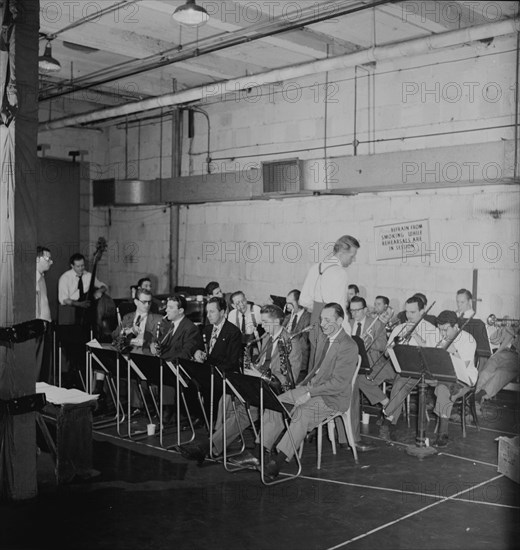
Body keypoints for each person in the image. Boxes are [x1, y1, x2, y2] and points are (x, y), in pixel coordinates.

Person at [179, 304, 302, 464]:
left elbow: (289, 378)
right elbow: (263, 362)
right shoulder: (266, 338)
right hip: (262, 387)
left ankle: (257, 454)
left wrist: (262, 375)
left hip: (279, 391)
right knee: (241, 407)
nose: (262, 326)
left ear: (278, 321)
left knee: (265, 410)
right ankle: (211, 447)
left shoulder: (293, 343)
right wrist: (253, 368)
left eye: (265, 322)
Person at [259, 303, 359, 480]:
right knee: (276, 402)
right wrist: (303, 387)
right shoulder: (324, 338)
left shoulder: (348, 346)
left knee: (302, 412)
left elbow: (338, 383)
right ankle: (260, 451)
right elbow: (315, 370)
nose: (322, 324)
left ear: (341, 321)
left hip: (333, 397)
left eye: (328, 320)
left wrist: (309, 394)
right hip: (312, 387)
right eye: (321, 320)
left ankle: (278, 461)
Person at [379, 296, 441, 440]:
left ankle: (388, 421)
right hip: (400, 366)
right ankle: (388, 413)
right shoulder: (400, 327)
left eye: (413, 312)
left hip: (422, 370)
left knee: (400, 382)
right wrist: (394, 345)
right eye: (407, 312)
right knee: (370, 376)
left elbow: (434, 356)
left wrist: (416, 336)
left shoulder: (432, 330)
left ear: (422, 311)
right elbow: (387, 353)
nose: (408, 316)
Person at [57, 253, 108, 388]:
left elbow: (103, 285)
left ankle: (91, 383)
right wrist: (80, 304)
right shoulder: (65, 278)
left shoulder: (88, 276)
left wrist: (100, 291)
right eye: (78, 266)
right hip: (71, 317)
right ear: (72, 265)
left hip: (88, 319)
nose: (81, 268)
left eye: (83, 265)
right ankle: (74, 382)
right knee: (73, 355)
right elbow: (64, 299)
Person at [151, 294, 203, 424]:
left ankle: (167, 410)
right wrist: (153, 345)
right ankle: (161, 407)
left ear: (180, 311)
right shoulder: (169, 325)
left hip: (179, 368)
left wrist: (166, 362)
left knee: (165, 375)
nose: (166, 310)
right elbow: (159, 341)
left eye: (170, 307)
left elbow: (185, 353)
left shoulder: (190, 328)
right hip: (166, 364)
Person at [111, 288, 163, 415]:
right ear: (136, 302)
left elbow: (160, 339)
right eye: (144, 302)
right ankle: (103, 398)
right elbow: (114, 335)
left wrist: (149, 341)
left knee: (135, 363)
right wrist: (127, 331)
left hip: (145, 354)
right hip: (128, 352)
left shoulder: (158, 318)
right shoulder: (128, 317)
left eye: (149, 302)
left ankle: (137, 406)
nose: (147, 305)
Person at [191, 296, 242, 425]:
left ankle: (211, 422)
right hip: (206, 373)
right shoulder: (207, 329)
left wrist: (209, 362)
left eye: (212, 312)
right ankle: (200, 415)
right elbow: (196, 346)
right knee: (187, 383)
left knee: (209, 388)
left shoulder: (233, 332)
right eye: (207, 312)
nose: (208, 315)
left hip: (222, 375)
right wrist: (196, 352)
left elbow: (232, 362)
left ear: (223, 312)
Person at [432, 310, 478, 446]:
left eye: (445, 330)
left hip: (465, 379)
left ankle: (442, 432)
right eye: (440, 330)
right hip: (446, 378)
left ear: (456, 326)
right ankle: (443, 434)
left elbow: (464, 368)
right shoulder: (442, 338)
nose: (442, 334)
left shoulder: (468, 340)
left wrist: (454, 352)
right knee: (442, 387)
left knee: (442, 389)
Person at [300, 235, 360, 329]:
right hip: (330, 328)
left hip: (314, 326)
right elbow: (339, 309)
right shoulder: (340, 273)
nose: (354, 259)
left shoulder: (316, 267)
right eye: (352, 256)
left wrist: (319, 309)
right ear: (341, 254)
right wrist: (348, 333)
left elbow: (304, 300)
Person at [474, 324, 519, 408]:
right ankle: (476, 393)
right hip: (505, 353)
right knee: (488, 367)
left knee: (500, 373)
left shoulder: (516, 333)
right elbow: (493, 340)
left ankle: (480, 395)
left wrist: (515, 334)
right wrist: (502, 329)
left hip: (517, 358)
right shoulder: (514, 328)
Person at [282, 289, 311, 380]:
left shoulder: (309, 317)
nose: (287, 306)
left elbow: (303, 342)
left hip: (298, 364)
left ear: (299, 302)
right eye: (286, 303)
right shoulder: (287, 317)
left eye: (290, 303)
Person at [35, 246, 53, 382]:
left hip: (44, 323)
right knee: (36, 363)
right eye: (48, 258)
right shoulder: (33, 278)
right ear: (37, 259)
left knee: (43, 363)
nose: (51, 262)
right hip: (38, 324)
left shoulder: (41, 276)